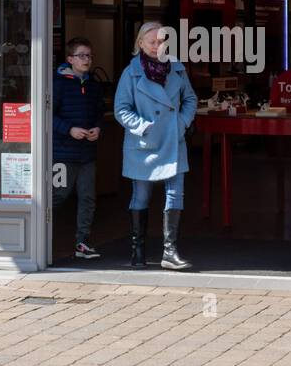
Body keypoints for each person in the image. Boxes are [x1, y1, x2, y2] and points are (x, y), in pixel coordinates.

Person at [114, 21, 198, 270]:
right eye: (152, 42)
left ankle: (170, 252)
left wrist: (181, 123)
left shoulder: (178, 69)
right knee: (141, 195)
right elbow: (121, 109)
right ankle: (137, 250)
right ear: (140, 43)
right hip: (144, 144)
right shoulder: (131, 73)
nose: (156, 46)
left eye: (161, 41)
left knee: (175, 194)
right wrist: (143, 127)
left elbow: (190, 98)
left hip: (173, 140)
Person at [52, 37, 103, 260]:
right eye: (82, 55)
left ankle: (82, 242)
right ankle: (42, 239)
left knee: (87, 197)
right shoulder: (58, 83)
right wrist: (69, 129)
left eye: (89, 56)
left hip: (87, 153)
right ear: (70, 59)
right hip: (63, 152)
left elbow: (99, 113)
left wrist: (98, 128)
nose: (87, 60)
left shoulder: (93, 85)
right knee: (58, 196)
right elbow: (46, 115)